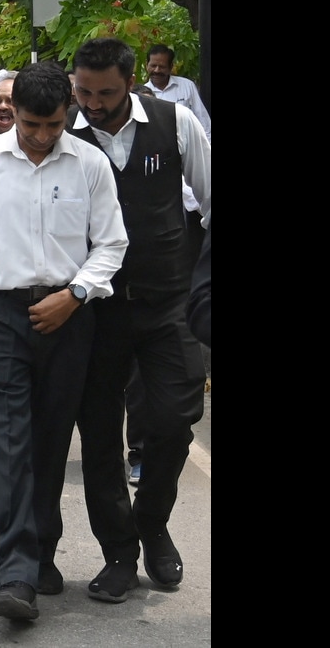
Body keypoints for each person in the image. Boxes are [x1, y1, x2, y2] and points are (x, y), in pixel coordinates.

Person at [0, 61, 127, 621]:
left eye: (53, 125)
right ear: (12, 114)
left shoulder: (90, 164)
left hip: (68, 317)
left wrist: (75, 294)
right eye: (31, 126)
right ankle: (15, 574)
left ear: (67, 112)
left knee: (49, 443)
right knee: (5, 444)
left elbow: (112, 245)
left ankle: (41, 551)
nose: (43, 137)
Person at [57, 38, 209, 602]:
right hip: (93, 312)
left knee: (174, 418)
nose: (93, 104)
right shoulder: (63, 132)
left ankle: (153, 521)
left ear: (131, 83)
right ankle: (119, 551)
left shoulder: (175, 123)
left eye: (106, 93)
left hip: (170, 302)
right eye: (83, 92)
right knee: (98, 436)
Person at [143, 45, 211, 137]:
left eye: (162, 67)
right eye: (153, 65)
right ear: (147, 65)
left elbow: (203, 120)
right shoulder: (142, 94)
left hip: (187, 146)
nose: (157, 70)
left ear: (171, 67)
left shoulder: (187, 86)